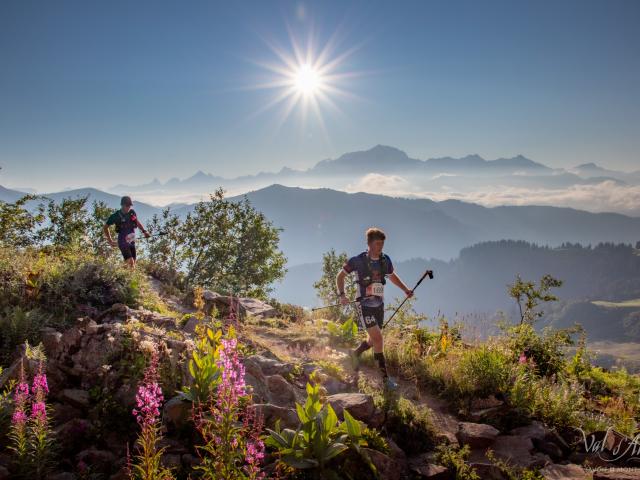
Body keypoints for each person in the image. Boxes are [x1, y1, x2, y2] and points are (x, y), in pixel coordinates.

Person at [336, 227, 413, 389]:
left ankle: (355, 354)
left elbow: (392, 276)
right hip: (363, 305)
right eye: (378, 244)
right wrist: (342, 295)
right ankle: (385, 380)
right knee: (378, 339)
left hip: (379, 304)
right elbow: (340, 276)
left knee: (372, 340)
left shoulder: (385, 260)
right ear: (369, 244)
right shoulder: (357, 261)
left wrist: (405, 289)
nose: (381, 247)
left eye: (382, 244)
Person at [103, 196, 150, 268]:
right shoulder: (115, 216)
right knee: (131, 263)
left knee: (133, 262)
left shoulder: (132, 213)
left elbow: (137, 222)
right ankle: (124, 276)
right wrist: (110, 241)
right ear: (122, 205)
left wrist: (144, 231)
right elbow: (105, 227)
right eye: (127, 205)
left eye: (130, 205)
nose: (129, 207)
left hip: (131, 240)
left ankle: (123, 275)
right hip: (122, 242)